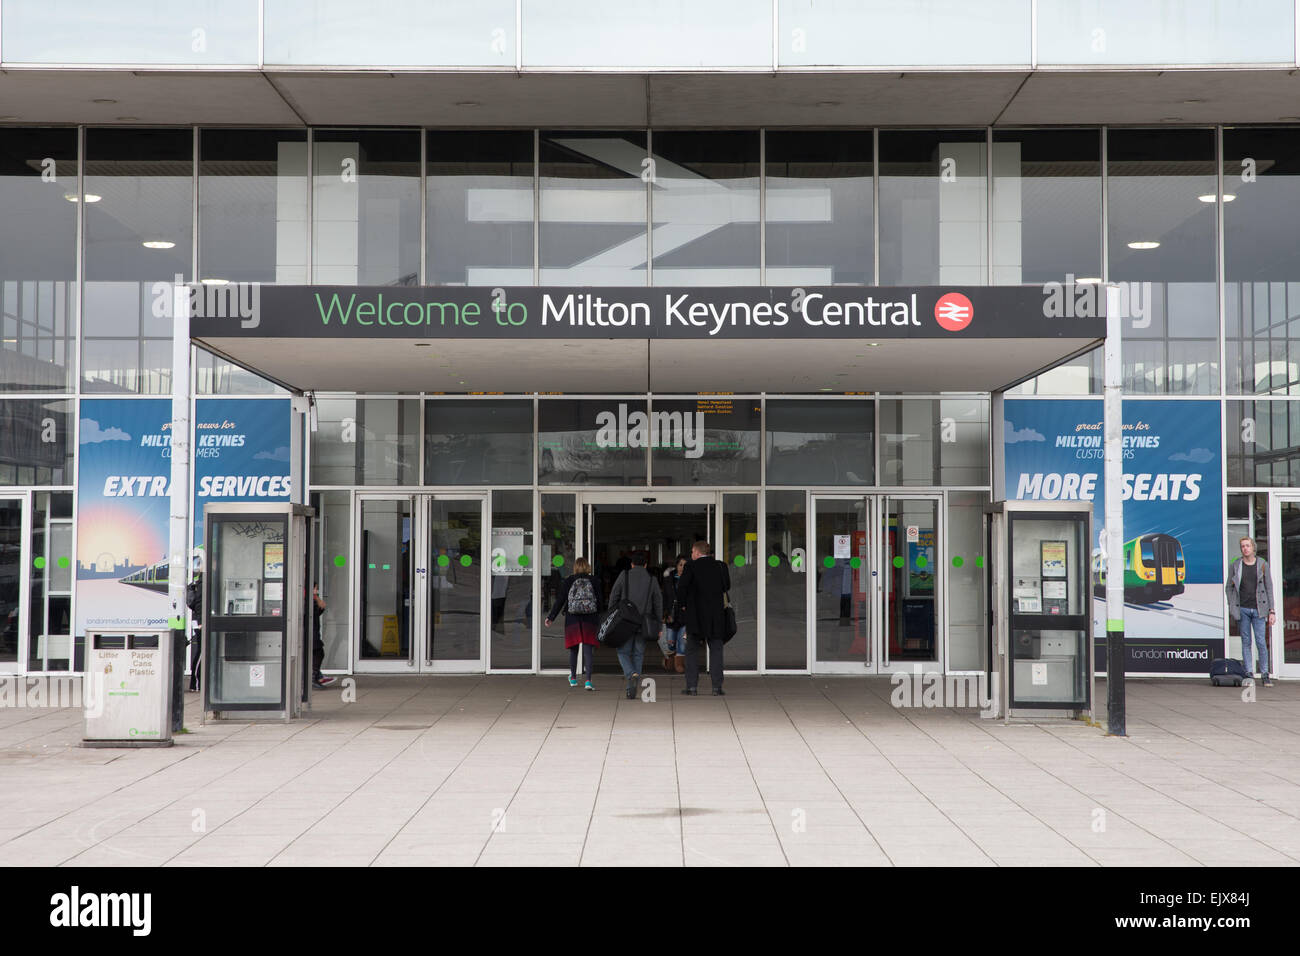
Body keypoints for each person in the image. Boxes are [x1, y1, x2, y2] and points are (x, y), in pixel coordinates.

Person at [676, 541, 731, 696]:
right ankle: (716, 687)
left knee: (692, 650)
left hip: (695, 615)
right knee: (716, 650)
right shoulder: (721, 566)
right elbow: (727, 586)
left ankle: (692, 687)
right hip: (716, 615)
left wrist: (683, 605)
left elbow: (682, 588)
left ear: (698, 553)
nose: (691, 554)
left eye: (692, 552)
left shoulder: (690, 567)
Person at [608, 552, 663, 699]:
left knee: (623, 652)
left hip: (624, 622)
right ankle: (631, 687)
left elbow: (614, 596)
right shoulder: (652, 579)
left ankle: (630, 674)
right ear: (646, 565)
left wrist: (611, 615)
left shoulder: (623, 575)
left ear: (631, 564)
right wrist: (659, 625)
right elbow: (658, 603)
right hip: (643, 623)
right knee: (638, 654)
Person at [1226, 535, 1275, 687]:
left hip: (1259, 609)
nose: (1245, 548)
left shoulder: (1262, 564)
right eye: (1243, 546)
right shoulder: (1236, 565)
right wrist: (1232, 604)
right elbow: (1229, 587)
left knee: (1260, 641)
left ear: (1253, 547)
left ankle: (1265, 674)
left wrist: (1272, 610)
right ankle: (1249, 673)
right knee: (1246, 641)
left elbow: (1269, 588)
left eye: (1248, 546)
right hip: (1243, 609)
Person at [545, 557, 600, 691]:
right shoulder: (595, 581)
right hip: (590, 618)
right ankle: (588, 681)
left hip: (572, 619)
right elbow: (600, 600)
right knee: (588, 651)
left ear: (575, 567)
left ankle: (573, 678)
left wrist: (551, 617)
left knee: (574, 650)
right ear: (588, 567)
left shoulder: (569, 580)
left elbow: (560, 600)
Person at [661, 554, 689, 673]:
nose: (682, 567)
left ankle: (679, 664)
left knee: (682, 643)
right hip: (671, 614)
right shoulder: (668, 579)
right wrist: (664, 613)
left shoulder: (690, 580)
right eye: (680, 565)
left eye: (685, 565)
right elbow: (664, 597)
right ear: (676, 566)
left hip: (684, 615)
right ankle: (670, 659)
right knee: (670, 642)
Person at [312, 584, 335, 688]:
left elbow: (322, 607)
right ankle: (313, 677)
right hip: (310, 632)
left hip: (313, 631)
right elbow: (321, 607)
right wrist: (315, 596)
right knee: (318, 653)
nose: (317, 591)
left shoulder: (311, 601)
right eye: (316, 589)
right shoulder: (309, 601)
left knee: (317, 653)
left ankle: (316, 676)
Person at [185, 561, 203, 692]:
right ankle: (195, 683)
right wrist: (202, 622)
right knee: (202, 651)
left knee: (202, 651)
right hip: (201, 623)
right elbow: (200, 604)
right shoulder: (202, 584)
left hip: (201, 621)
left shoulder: (201, 583)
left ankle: (197, 682)